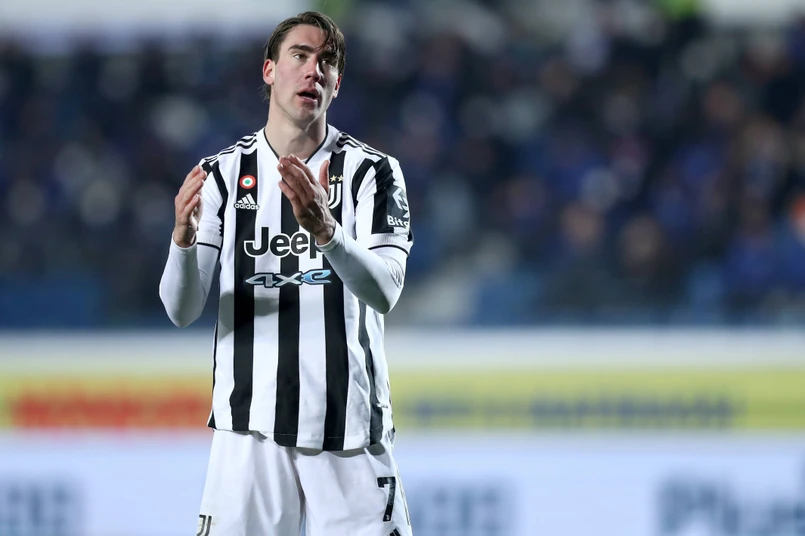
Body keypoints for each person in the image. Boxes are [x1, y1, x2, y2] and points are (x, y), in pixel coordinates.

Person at [159, 11, 413, 536]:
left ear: (337, 83)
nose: (313, 70)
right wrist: (182, 242)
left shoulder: (374, 172)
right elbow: (181, 310)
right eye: (300, 55)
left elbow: (386, 290)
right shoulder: (222, 176)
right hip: (248, 433)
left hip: (349, 431)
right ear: (270, 70)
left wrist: (328, 232)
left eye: (327, 61)